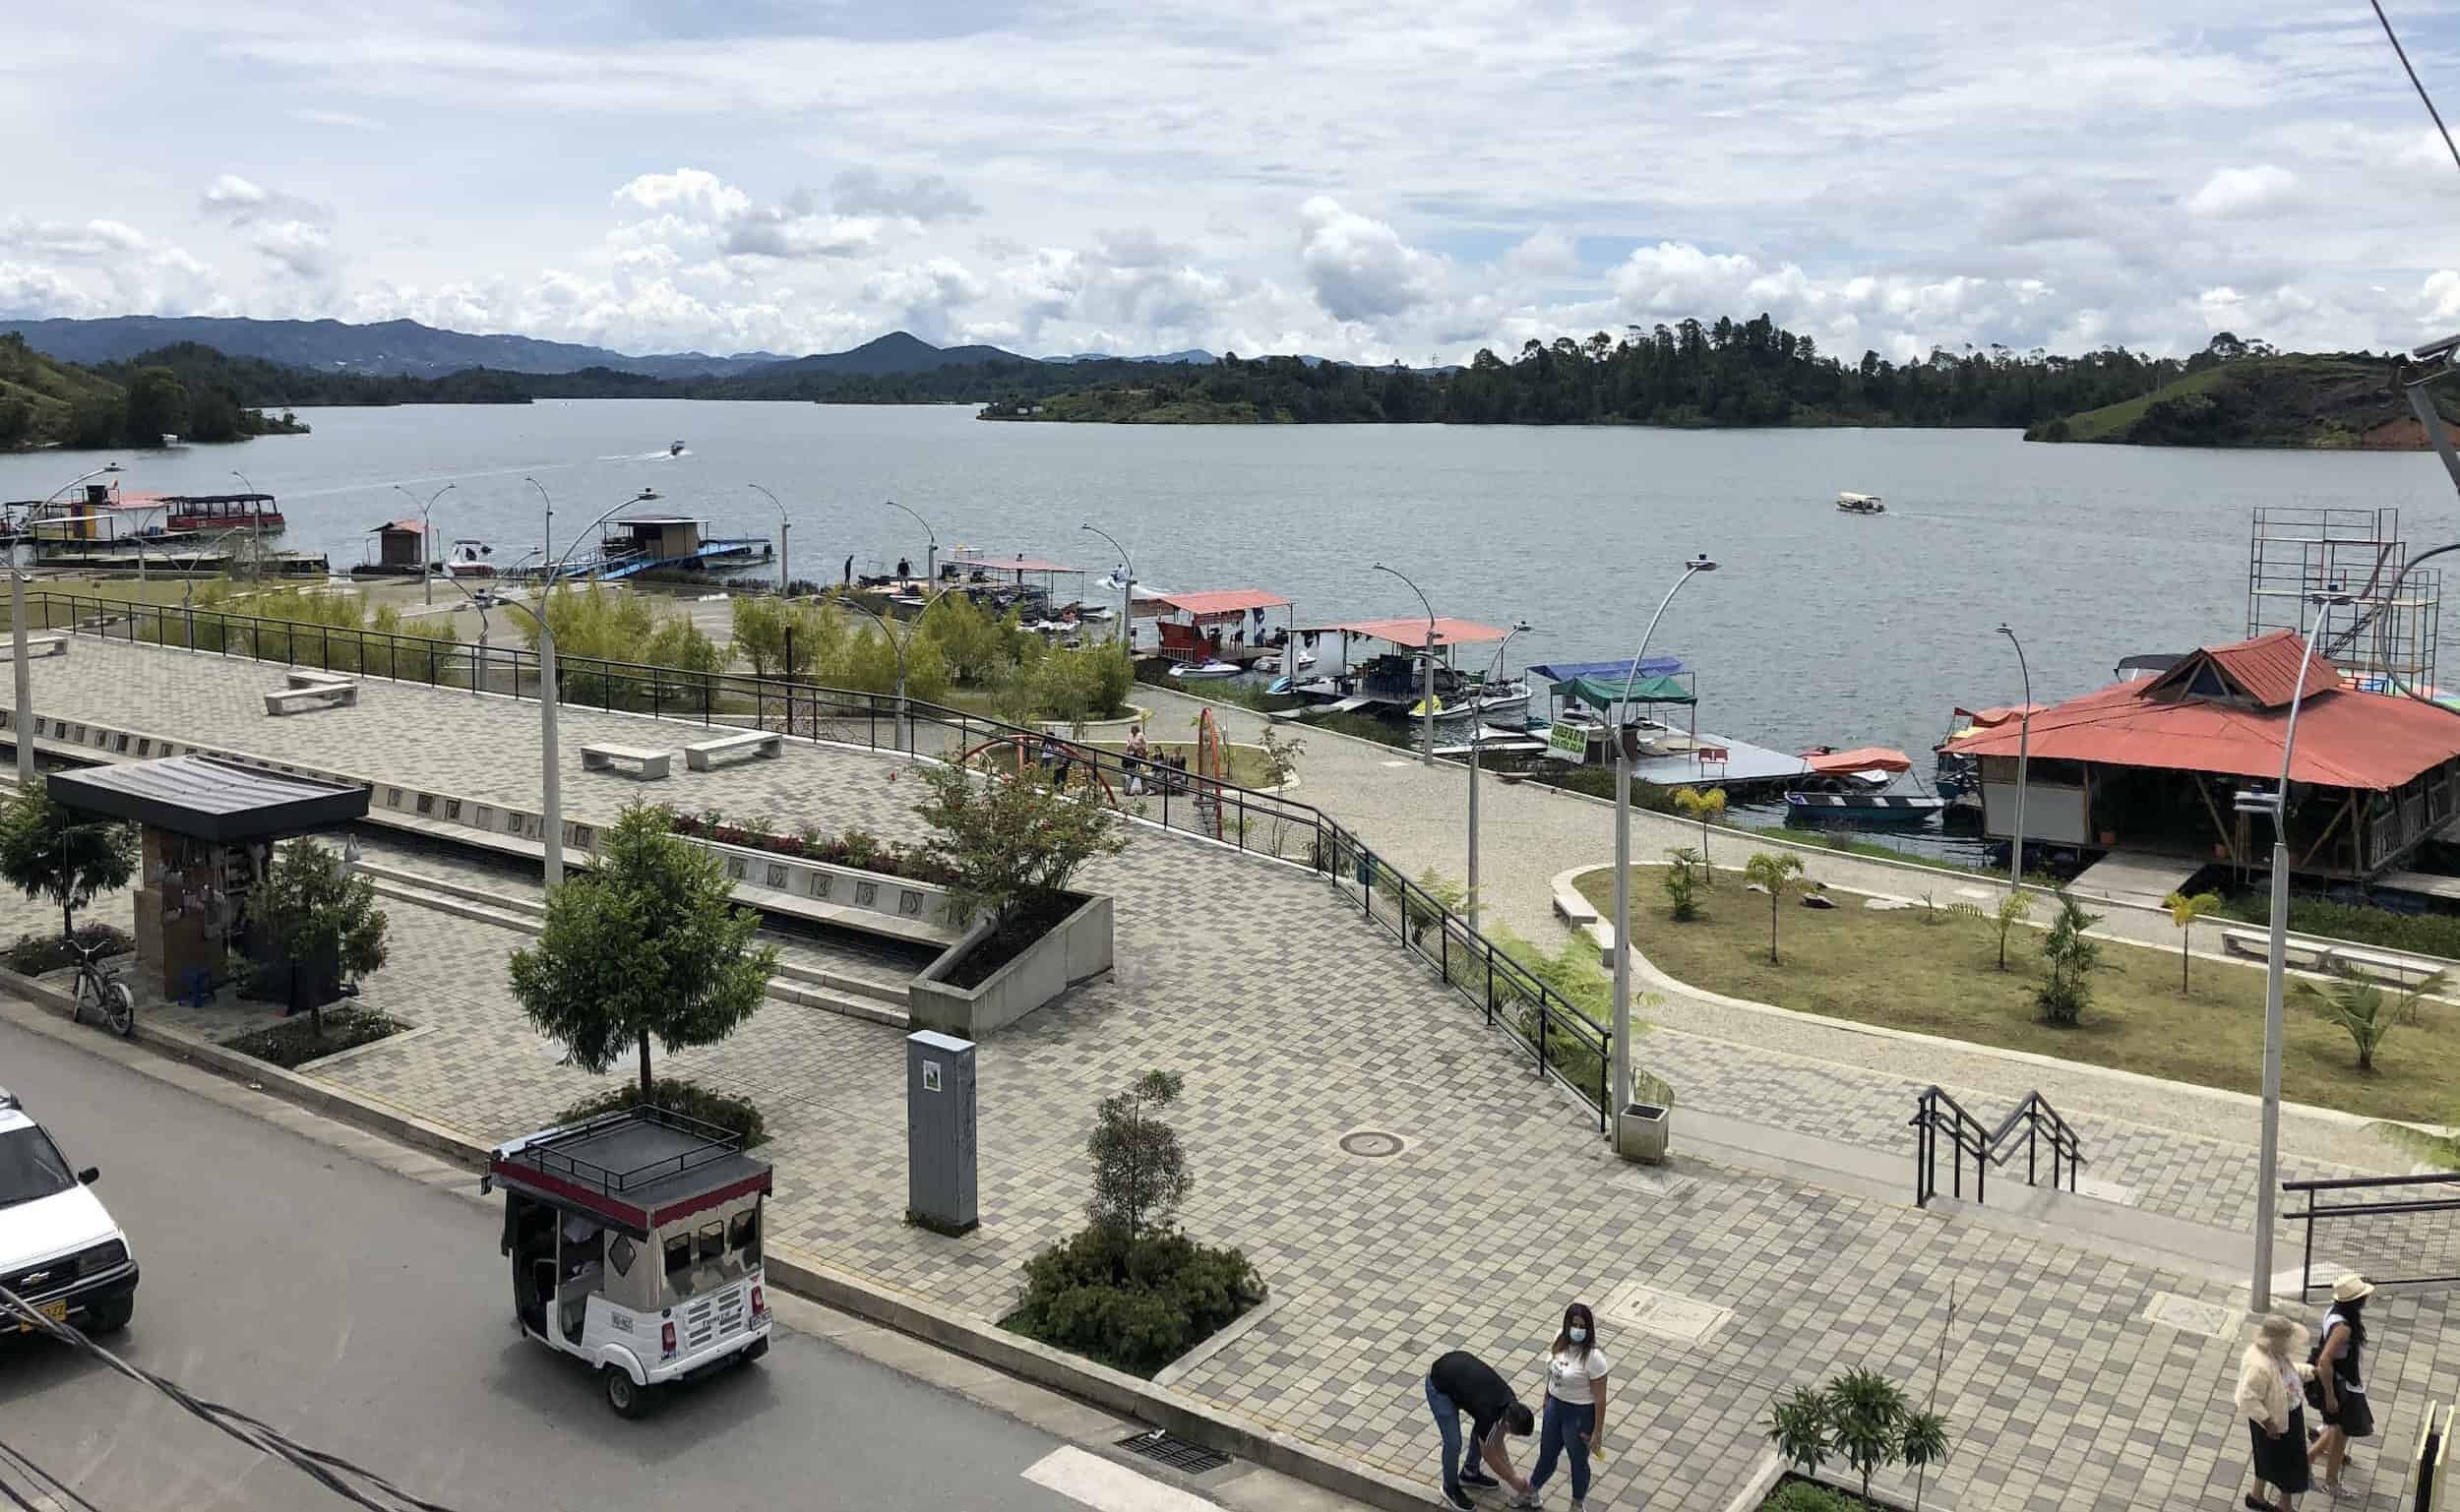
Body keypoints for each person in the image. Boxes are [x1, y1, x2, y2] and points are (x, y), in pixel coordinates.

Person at [1425, 1350, 1535, 1511]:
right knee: (1453, 1443)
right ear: (1508, 1426)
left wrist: (1513, 1474)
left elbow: (1496, 1441)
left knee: (1485, 1434)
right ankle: (1450, 1488)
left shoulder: (1510, 1404)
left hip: (1458, 1375)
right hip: (1439, 1385)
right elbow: (1489, 1453)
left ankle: (1470, 1473)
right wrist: (1513, 1479)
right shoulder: (1489, 1415)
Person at [1527, 1302, 1611, 1511]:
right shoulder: (1559, 1339)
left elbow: (1600, 1399)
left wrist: (1597, 1433)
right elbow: (1552, 1370)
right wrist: (1547, 1396)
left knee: (1578, 1460)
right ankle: (1531, 1490)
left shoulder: (1594, 1359)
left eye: (1582, 1326)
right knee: (1547, 1453)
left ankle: (1577, 1503)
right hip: (1555, 1408)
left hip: (1579, 1414)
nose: (1578, 1330)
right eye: (1574, 1325)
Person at [2308, 1274, 2375, 1498]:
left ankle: (2311, 1457)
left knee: (2338, 1428)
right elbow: (2324, 1361)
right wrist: (2330, 1396)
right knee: (2341, 1430)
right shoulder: (2344, 1327)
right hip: (2340, 1385)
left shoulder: (2334, 1312)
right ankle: (2331, 1481)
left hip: (2342, 1382)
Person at [2236, 1313, 2310, 1511]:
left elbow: (2285, 1374)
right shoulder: (2259, 1365)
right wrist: (2268, 1422)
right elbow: (2248, 1397)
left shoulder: (2273, 1354)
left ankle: (2256, 1495)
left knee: (2267, 1457)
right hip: (2276, 1421)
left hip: (2282, 1416)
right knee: (2289, 1463)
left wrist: (2309, 1372)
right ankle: (2285, 1506)